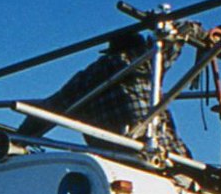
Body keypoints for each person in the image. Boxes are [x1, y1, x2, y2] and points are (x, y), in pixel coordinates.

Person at [17, 28, 190, 159]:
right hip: (160, 155)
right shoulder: (139, 60)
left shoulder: (86, 79)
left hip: (113, 160)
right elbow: (175, 38)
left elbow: (48, 109)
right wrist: (198, 31)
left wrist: (17, 140)